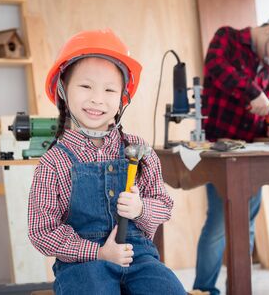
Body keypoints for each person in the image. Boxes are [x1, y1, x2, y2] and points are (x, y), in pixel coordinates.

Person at [28, 29, 186, 295]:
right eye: (86, 86)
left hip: (139, 259)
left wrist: (140, 209)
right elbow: (41, 231)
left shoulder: (139, 150)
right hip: (82, 264)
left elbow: (164, 206)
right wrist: (98, 252)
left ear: (123, 97)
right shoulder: (54, 162)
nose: (97, 99)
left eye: (110, 89)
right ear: (63, 90)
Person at [193, 8, 269, 294]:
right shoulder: (226, 38)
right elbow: (217, 68)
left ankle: (240, 288)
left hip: (250, 155)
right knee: (218, 223)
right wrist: (253, 93)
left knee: (247, 224)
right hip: (220, 150)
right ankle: (203, 290)